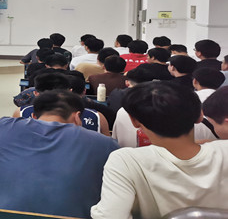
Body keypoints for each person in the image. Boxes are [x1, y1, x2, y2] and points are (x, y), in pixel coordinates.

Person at [0, 91, 118, 218]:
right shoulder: (105, 144)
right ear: (77, 116)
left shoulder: (4, 126)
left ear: (34, 116)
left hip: (0, 215)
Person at [91, 82, 228, 218]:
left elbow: (110, 215)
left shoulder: (125, 161)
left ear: (134, 121)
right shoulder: (223, 150)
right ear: (200, 116)